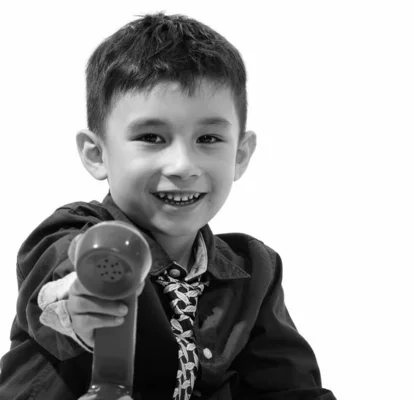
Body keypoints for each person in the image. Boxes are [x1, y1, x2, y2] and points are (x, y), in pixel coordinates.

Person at [0, 12, 336, 400]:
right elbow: (60, 273)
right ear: (96, 154)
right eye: (151, 137)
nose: (182, 166)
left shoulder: (255, 270)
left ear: (240, 155)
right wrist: (81, 302)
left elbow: (286, 384)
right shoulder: (74, 231)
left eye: (208, 138)